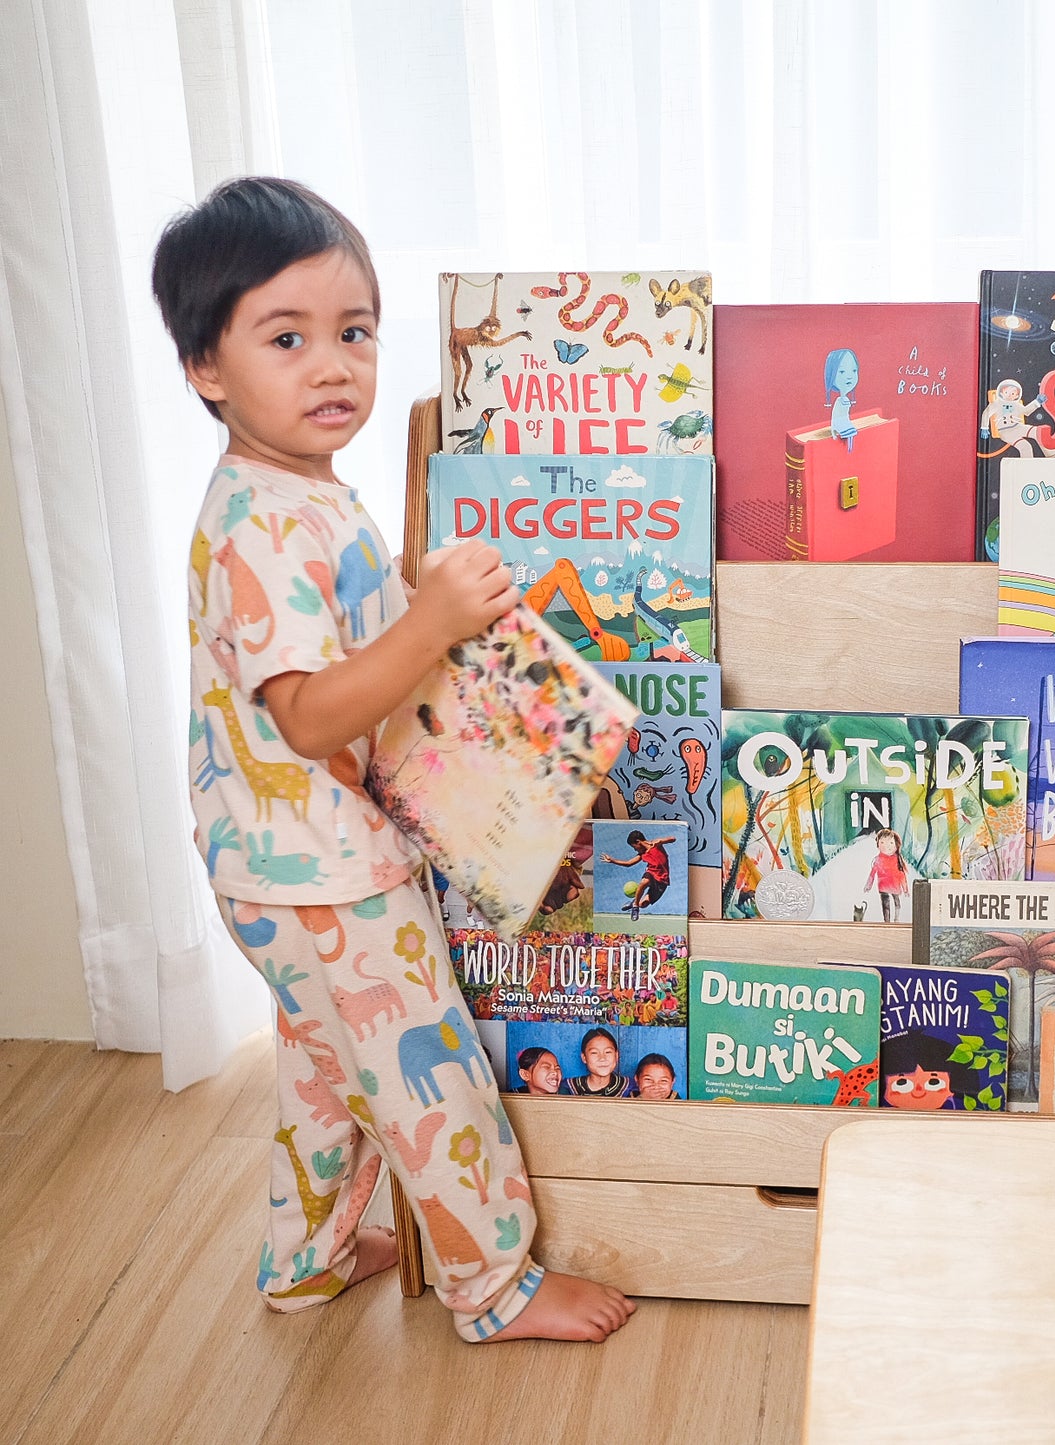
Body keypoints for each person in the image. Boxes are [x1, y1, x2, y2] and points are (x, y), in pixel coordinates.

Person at [154, 176, 633, 1344]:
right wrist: (432, 625)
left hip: (287, 861)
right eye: (286, 337)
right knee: (433, 1081)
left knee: (329, 1064)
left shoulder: (305, 496)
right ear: (205, 370)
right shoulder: (259, 523)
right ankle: (495, 1286)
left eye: (353, 333)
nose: (332, 366)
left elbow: (349, 644)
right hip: (317, 869)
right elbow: (310, 716)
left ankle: (305, 1259)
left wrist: (417, 595)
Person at [601, 830, 676, 921]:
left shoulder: (655, 844)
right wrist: (612, 861)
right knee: (644, 882)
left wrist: (661, 841)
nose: (635, 849)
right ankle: (635, 907)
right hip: (651, 873)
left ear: (638, 842)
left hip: (662, 881)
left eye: (634, 847)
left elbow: (673, 839)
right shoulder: (642, 854)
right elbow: (628, 863)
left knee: (643, 904)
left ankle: (635, 903)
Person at [564, 1028, 631, 1096]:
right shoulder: (569, 1088)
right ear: (584, 1057)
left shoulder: (629, 1088)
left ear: (616, 1055)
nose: (602, 1058)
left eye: (608, 1052)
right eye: (594, 1053)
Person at [862, 827, 909, 922]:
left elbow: (902, 875)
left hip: (895, 886)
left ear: (896, 845)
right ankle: (886, 922)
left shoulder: (897, 859)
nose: (886, 846)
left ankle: (896, 918)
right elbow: (872, 873)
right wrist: (868, 885)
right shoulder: (878, 859)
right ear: (878, 844)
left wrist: (905, 889)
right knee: (885, 905)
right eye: (882, 842)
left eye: (891, 843)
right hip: (883, 887)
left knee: (897, 903)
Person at [823, 346, 860, 451]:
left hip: (845, 422)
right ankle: (849, 451)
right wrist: (833, 430)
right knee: (850, 432)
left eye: (854, 370)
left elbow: (846, 415)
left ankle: (850, 451)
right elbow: (835, 416)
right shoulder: (839, 401)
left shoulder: (846, 400)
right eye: (842, 372)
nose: (849, 376)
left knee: (852, 432)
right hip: (840, 424)